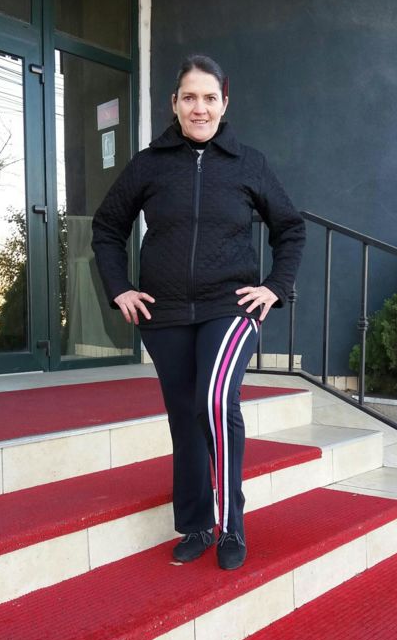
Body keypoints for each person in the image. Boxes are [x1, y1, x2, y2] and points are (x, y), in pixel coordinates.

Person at [92, 54, 305, 570]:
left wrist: (274, 287)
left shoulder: (248, 163)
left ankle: (232, 524)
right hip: (164, 314)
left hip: (229, 306)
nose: (199, 107)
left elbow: (290, 229)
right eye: (189, 97)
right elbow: (107, 228)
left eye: (210, 98)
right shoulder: (149, 163)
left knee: (214, 401)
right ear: (174, 103)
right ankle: (196, 524)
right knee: (186, 419)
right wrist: (120, 289)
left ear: (224, 104)